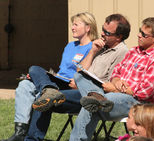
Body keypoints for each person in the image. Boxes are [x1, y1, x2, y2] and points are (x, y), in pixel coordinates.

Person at [24, 13, 130, 141]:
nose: (102, 34)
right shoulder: (100, 46)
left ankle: (31, 139)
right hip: (75, 87)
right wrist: (92, 51)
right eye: (102, 29)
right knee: (35, 70)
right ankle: (48, 89)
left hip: (92, 95)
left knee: (46, 99)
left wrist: (83, 83)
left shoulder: (122, 52)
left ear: (118, 37)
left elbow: (110, 83)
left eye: (107, 33)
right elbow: (79, 71)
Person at [1, 12, 98, 141]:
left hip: (70, 86)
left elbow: (86, 72)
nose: (72, 27)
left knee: (35, 72)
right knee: (27, 81)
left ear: (88, 27)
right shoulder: (70, 46)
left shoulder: (93, 47)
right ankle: (20, 133)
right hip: (58, 82)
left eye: (76, 24)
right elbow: (62, 71)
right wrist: (47, 76)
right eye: (72, 24)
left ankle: (47, 90)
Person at [69, 17, 154, 141]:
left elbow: (144, 93)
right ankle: (97, 98)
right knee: (79, 76)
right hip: (111, 95)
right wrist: (116, 81)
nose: (138, 35)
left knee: (92, 104)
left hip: (136, 104)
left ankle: (96, 99)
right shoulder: (134, 51)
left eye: (143, 34)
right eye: (139, 31)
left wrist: (116, 89)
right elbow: (116, 72)